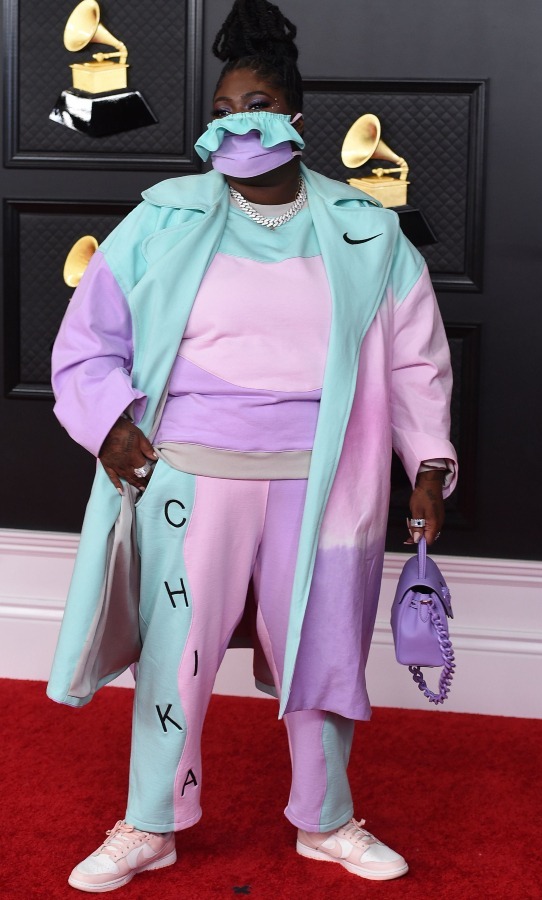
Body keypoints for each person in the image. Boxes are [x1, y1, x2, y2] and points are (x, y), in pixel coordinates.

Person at [47, 0, 457, 891]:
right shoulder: (161, 218)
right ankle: (149, 824)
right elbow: (88, 341)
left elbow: (417, 360)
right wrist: (113, 424)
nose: (241, 119)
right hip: (189, 473)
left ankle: (328, 821)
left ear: (297, 119)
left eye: (258, 101)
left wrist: (426, 464)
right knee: (177, 651)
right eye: (226, 107)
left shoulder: (369, 230)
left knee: (323, 648)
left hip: (325, 481)